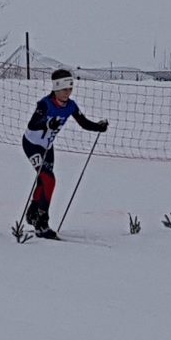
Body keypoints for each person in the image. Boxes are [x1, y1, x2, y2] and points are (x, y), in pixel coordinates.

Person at [21, 68, 108, 239]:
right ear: (56, 88)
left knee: (44, 179)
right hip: (32, 145)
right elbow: (33, 124)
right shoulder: (45, 104)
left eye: (70, 88)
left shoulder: (71, 106)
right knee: (49, 179)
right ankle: (42, 223)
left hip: (47, 147)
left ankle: (33, 210)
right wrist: (48, 124)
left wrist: (98, 126)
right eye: (64, 89)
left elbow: (83, 122)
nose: (68, 93)